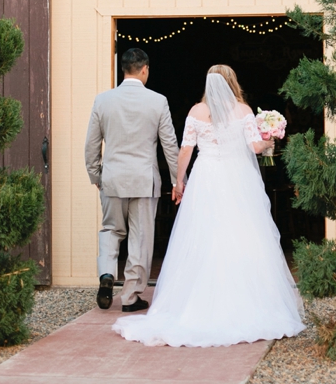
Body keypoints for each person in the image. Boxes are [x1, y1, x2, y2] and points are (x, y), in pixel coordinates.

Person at [112, 64, 305, 347]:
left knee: (203, 234)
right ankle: (249, 302)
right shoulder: (243, 110)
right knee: (243, 233)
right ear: (232, 82)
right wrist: (270, 139)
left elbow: (185, 150)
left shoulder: (196, 111)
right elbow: (254, 147)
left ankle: (196, 303)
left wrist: (179, 181)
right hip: (238, 177)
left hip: (206, 176)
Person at [84, 47, 179, 312]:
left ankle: (106, 274)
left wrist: (95, 174)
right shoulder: (158, 101)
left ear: (123, 69)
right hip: (144, 180)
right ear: (145, 69)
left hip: (113, 178)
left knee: (111, 229)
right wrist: (177, 180)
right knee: (140, 238)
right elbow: (169, 145)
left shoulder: (103, 100)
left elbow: (91, 145)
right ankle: (130, 297)